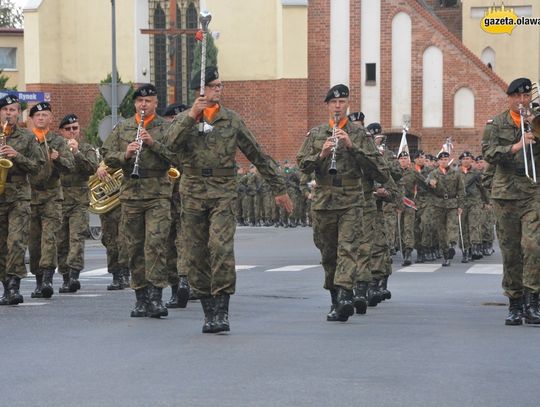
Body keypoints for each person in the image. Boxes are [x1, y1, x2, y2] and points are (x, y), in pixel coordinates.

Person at [166, 66, 293, 333]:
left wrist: (278, 188)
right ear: (200, 91)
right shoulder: (184, 120)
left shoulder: (231, 120)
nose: (218, 90)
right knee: (196, 254)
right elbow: (169, 146)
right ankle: (208, 311)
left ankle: (221, 311)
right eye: (213, 86)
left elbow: (257, 154)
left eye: (219, 86)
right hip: (192, 193)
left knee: (221, 248)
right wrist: (191, 115)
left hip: (223, 191)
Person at [297, 84, 388, 322]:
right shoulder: (316, 134)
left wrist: (352, 147)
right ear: (328, 105)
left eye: (342, 102)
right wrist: (322, 155)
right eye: (334, 103)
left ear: (348, 104)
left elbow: (381, 171)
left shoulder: (359, 135)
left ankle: (346, 295)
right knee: (329, 253)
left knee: (348, 248)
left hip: (351, 199)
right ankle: (336, 298)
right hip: (324, 200)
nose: (338, 106)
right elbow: (302, 167)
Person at [101, 84, 177, 318]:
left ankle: (156, 297)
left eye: (148, 101)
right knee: (133, 247)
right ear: (135, 104)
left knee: (155, 245)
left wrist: (152, 144)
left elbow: (176, 157)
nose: (143, 105)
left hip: (157, 194)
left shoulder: (165, 128)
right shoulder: (123, 127)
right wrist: (125, 154)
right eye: (139, 102)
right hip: (131, 194)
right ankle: (140, 297)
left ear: (156, 103)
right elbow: (106, 155)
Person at [482, 77, 540, 326]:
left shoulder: (536, 119)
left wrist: (533, 127)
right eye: (517, 97)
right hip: (505, 193)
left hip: (532, 190)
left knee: (533, 245)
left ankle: (533, 299)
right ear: (509, 98)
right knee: (511, 251)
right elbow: (489, 153)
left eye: (526, 97)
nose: (522, 101)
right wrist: (516, 146)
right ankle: (515, 303)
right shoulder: (496, 123)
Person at [0, 94, 44, 305]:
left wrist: (17, 156)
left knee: (16, 241)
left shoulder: (27, 137)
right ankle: (5, 287)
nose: (9, 114)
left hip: (19, 195)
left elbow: (38, 165)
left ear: (19, 113)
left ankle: (13, 285)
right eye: (6, 110)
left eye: (13, 110)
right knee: (1, 246)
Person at [28, 102, 75, 298]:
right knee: (33, 242)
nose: (41, 118)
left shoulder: (57, 141)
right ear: (31, 119)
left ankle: (47, 279)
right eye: (37, 115)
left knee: (49, 238)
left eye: (45, 114)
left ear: (50, 118)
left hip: (52, 197)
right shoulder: (26, 139)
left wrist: (58, 158)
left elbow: (70, 166)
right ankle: (38, 280)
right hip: (29, 197)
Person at [57, 114, 99, 293]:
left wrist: (77, 153)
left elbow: (91, 169)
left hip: (79, 201)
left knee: (77, 238)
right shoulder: (55, 148)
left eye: (75, 128)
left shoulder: (86, 148)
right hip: (59, 199)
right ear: (61, 132)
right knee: (61, 241)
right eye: (68, 129)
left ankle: (74, 275)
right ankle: (65, 277)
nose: (72, 132)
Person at [162, 102, 190, 308]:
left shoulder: (194, 139)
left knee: (187, 243)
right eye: (174, 120)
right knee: (169, 244)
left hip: (188, 199)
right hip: (166, 199)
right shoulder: (164, 139)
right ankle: (175, 287)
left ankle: (186, 282)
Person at [426, 151, 464, 267]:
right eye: (442, 160)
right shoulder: (434, 173)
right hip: (438, 204)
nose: (444, 161)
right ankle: (446, 254)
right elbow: (427, 182)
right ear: (438, 161)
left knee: (452, 226)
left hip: (452, 203)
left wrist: (460, 205)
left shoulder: (456, 174)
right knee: (441, 230)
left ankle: (452, 245)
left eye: (446, 160)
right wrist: (430, 183)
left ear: (449, 161)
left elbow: (461, 190)